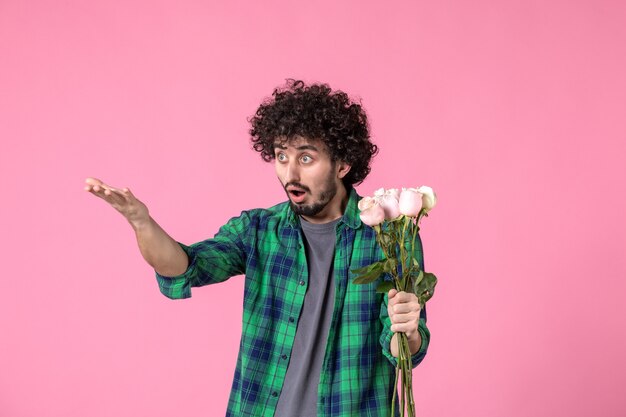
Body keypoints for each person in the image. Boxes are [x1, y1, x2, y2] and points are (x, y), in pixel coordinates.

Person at [84, 79, 430, 417]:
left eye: (306, 158)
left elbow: (405, 351)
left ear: (342, 164)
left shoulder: (391, 235)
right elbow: (187, 266)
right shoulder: (258, 231)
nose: (290, 173)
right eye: (281, 156)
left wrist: (408, 330)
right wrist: (142, 223)